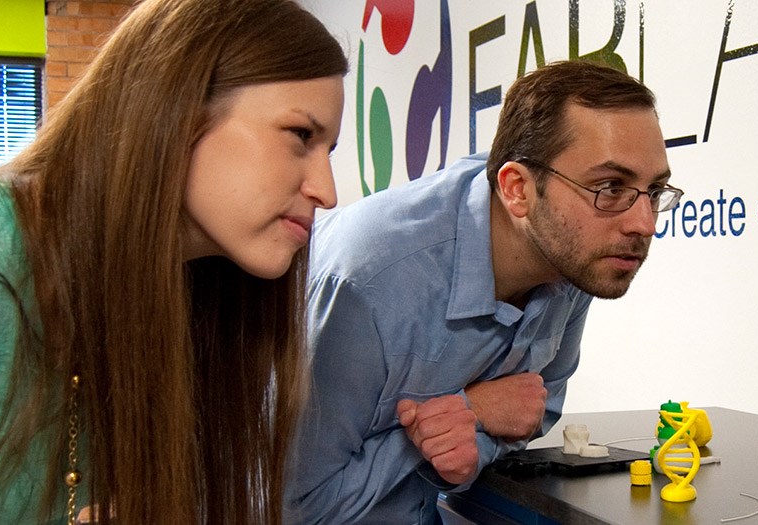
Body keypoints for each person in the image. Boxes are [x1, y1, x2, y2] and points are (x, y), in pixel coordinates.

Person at [0, 0, 345, 522]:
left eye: (331, 151)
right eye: (300, 136)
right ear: (178, 107)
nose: (327, 191)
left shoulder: (182, 296)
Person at [285, 60, 680, 523]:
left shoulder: (574, 254)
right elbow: (295, 506)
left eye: (653, 190)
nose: (644, 224)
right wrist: (464, 414)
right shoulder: (370, 283)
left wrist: (475, 434)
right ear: (517, 189)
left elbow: (536, 408)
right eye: (610, 187)